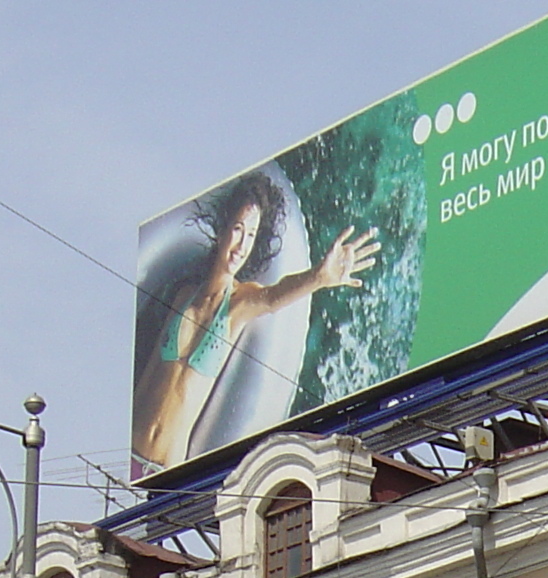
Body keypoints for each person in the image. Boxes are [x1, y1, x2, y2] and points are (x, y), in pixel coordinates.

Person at [132, 172, 381, 470]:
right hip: (129, 455)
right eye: (238, 230)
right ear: (222, 229)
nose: (241, 246)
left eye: (250, 235)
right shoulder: (183, 295)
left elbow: (273, 297)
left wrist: (319, 277)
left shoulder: (239, 303)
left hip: (164, 470)